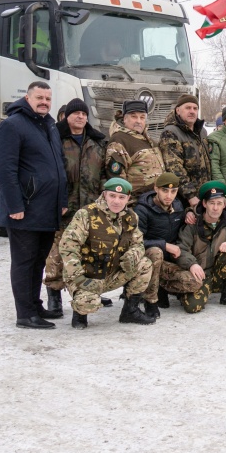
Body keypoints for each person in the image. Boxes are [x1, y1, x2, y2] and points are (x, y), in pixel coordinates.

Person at [0, 81, 69, 329]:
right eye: (39, 97)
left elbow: (58, 166)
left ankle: (35, 305)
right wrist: (15, 205)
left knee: (39, 261)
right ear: (27, 98)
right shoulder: (12, 126)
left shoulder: (48, 125)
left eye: (48, 98)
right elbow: (4, 170)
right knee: (25, 262)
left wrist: (62, 201)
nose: (44, 102)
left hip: (47, 208)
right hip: (24, 209)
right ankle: (25, 314)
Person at [43, 98, 109, 318]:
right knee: (58, 252)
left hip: (91, 207)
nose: (80, 117)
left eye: (83, 114)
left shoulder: (97, 141)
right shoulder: (56, 139)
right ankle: (53, 293)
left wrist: (103, 201)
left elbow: (104, 174)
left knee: (90, 251)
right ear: (67, 116)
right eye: (76, 113)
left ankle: (91, 290)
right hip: (64, 206)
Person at [59, 177, 155, 329]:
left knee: (145, 264)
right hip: (87, 276)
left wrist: (133, 255)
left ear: (128, 198)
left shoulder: (131, 217)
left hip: (112, 274)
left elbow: (139, 244)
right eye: (112, 196)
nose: (116, 201)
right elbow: (68, 246)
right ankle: (79, 315)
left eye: (121, 197)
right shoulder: (86, 214)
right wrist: (78, 278)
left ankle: (130, 311)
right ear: (104, 195)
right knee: (88, 303)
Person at [173, 181, 226, 313]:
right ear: (204, 204)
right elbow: (181, 248)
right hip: (200, 274)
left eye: (219, 203)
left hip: (219, 274)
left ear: (224, 204)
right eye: (212, 203)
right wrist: (192, 264)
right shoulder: (193, 224)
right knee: (192, 307)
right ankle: (187, 291)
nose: (215, 208)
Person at [135, 172, 187, 319]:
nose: (169, 196)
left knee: (193, 283)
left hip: (168, 259)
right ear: (156, 188)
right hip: (146, 259)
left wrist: (189, 214)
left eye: (173, 191)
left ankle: (164, 288)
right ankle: (149, 300)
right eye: (165, 190)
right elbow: (136, 242)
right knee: (156, 252)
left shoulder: (177, 206)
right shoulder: (143, 209)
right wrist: (164, 245)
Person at [105, 100, 165, 205]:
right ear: (124, 119)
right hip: (137, 205)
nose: (138, 121)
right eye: (134, 116)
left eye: (142, 117)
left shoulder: (149, 140)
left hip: (155, 203)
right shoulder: (119, 140)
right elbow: (117, 180)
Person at [158, 94, 211, 208]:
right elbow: (174, 168)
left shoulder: (202, 132)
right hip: (184, 199)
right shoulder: (170, 133)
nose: (192, 111)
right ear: (178, 110)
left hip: (204, 194)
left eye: (195, 108)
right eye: (187, 108)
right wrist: (190, 195)